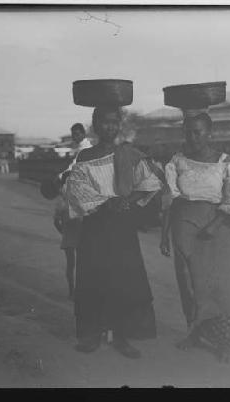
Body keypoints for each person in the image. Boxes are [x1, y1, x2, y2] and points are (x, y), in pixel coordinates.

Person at [160, 111, 230, 363]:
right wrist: (164, 236)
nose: (193, 137)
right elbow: (170, 201)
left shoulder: (224, 162)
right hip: (183, 228)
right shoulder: (177, 161)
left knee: (218, 286)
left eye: (198, 131)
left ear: (209, 133)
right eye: (188, 132)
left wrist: (215, 225)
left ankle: (223, 342)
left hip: (214, 229)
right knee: (189, 284)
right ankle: (194, 333)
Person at [65, 106, 163, 359]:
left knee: (123, 280)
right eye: (104, 122)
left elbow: (151, 182)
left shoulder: (128, 153)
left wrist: (128, 200)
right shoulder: (85, 156)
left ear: (119, 125)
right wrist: (105, 201)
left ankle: (121, 336)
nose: (109, 127)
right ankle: (92, 335)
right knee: (93, 277)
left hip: (122, 227)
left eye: (113, 122)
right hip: (95, 225)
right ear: (95, 125)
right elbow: (77, 190)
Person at [53, 171, 81, 301]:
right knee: (73, 264)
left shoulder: (63, 199)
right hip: (74, 231)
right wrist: (63, 232)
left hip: (76, 231)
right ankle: (72, 290)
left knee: (74, 264)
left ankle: (75, 291)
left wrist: (62, 231)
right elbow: (56, 221)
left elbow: (56, 221)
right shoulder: (64, 199)